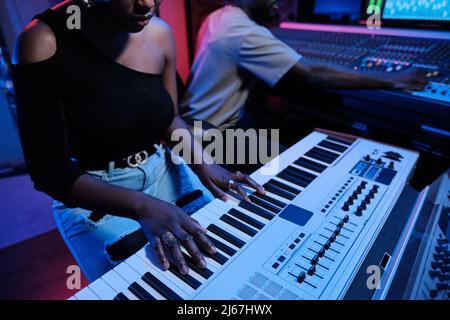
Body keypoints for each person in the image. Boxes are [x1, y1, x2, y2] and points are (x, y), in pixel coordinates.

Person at [12, 0, 265, 282]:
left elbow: (170, 119)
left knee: (230, 260)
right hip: (96, 191)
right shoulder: (42, 41)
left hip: (164, 168)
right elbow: (49, 171)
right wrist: (143, 205)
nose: (147, 3)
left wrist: (206, 165)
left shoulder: (159, 33)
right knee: (157, 284)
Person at [181, 0, 429, 132]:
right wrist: (394, 79)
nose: (276, 1)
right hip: (210, 140)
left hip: (193, 128)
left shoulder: (220, 16)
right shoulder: (243, 31)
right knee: (287, 160)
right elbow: (312, 72)